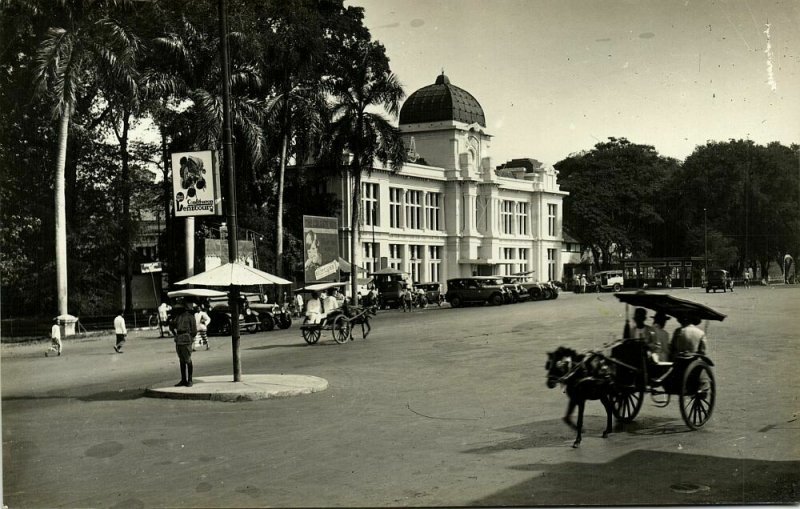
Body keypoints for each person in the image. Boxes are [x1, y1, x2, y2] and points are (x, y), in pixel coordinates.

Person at [170, 304, 197, 387]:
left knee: (188, 359)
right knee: (181, 360)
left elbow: (194, 331)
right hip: (179, 340)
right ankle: (183, 379)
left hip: (186, 340)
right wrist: (175, 334)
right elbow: (171, 326)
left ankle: (190, 379)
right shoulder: (178, 317)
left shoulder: (190, 317)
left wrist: (189, 338)